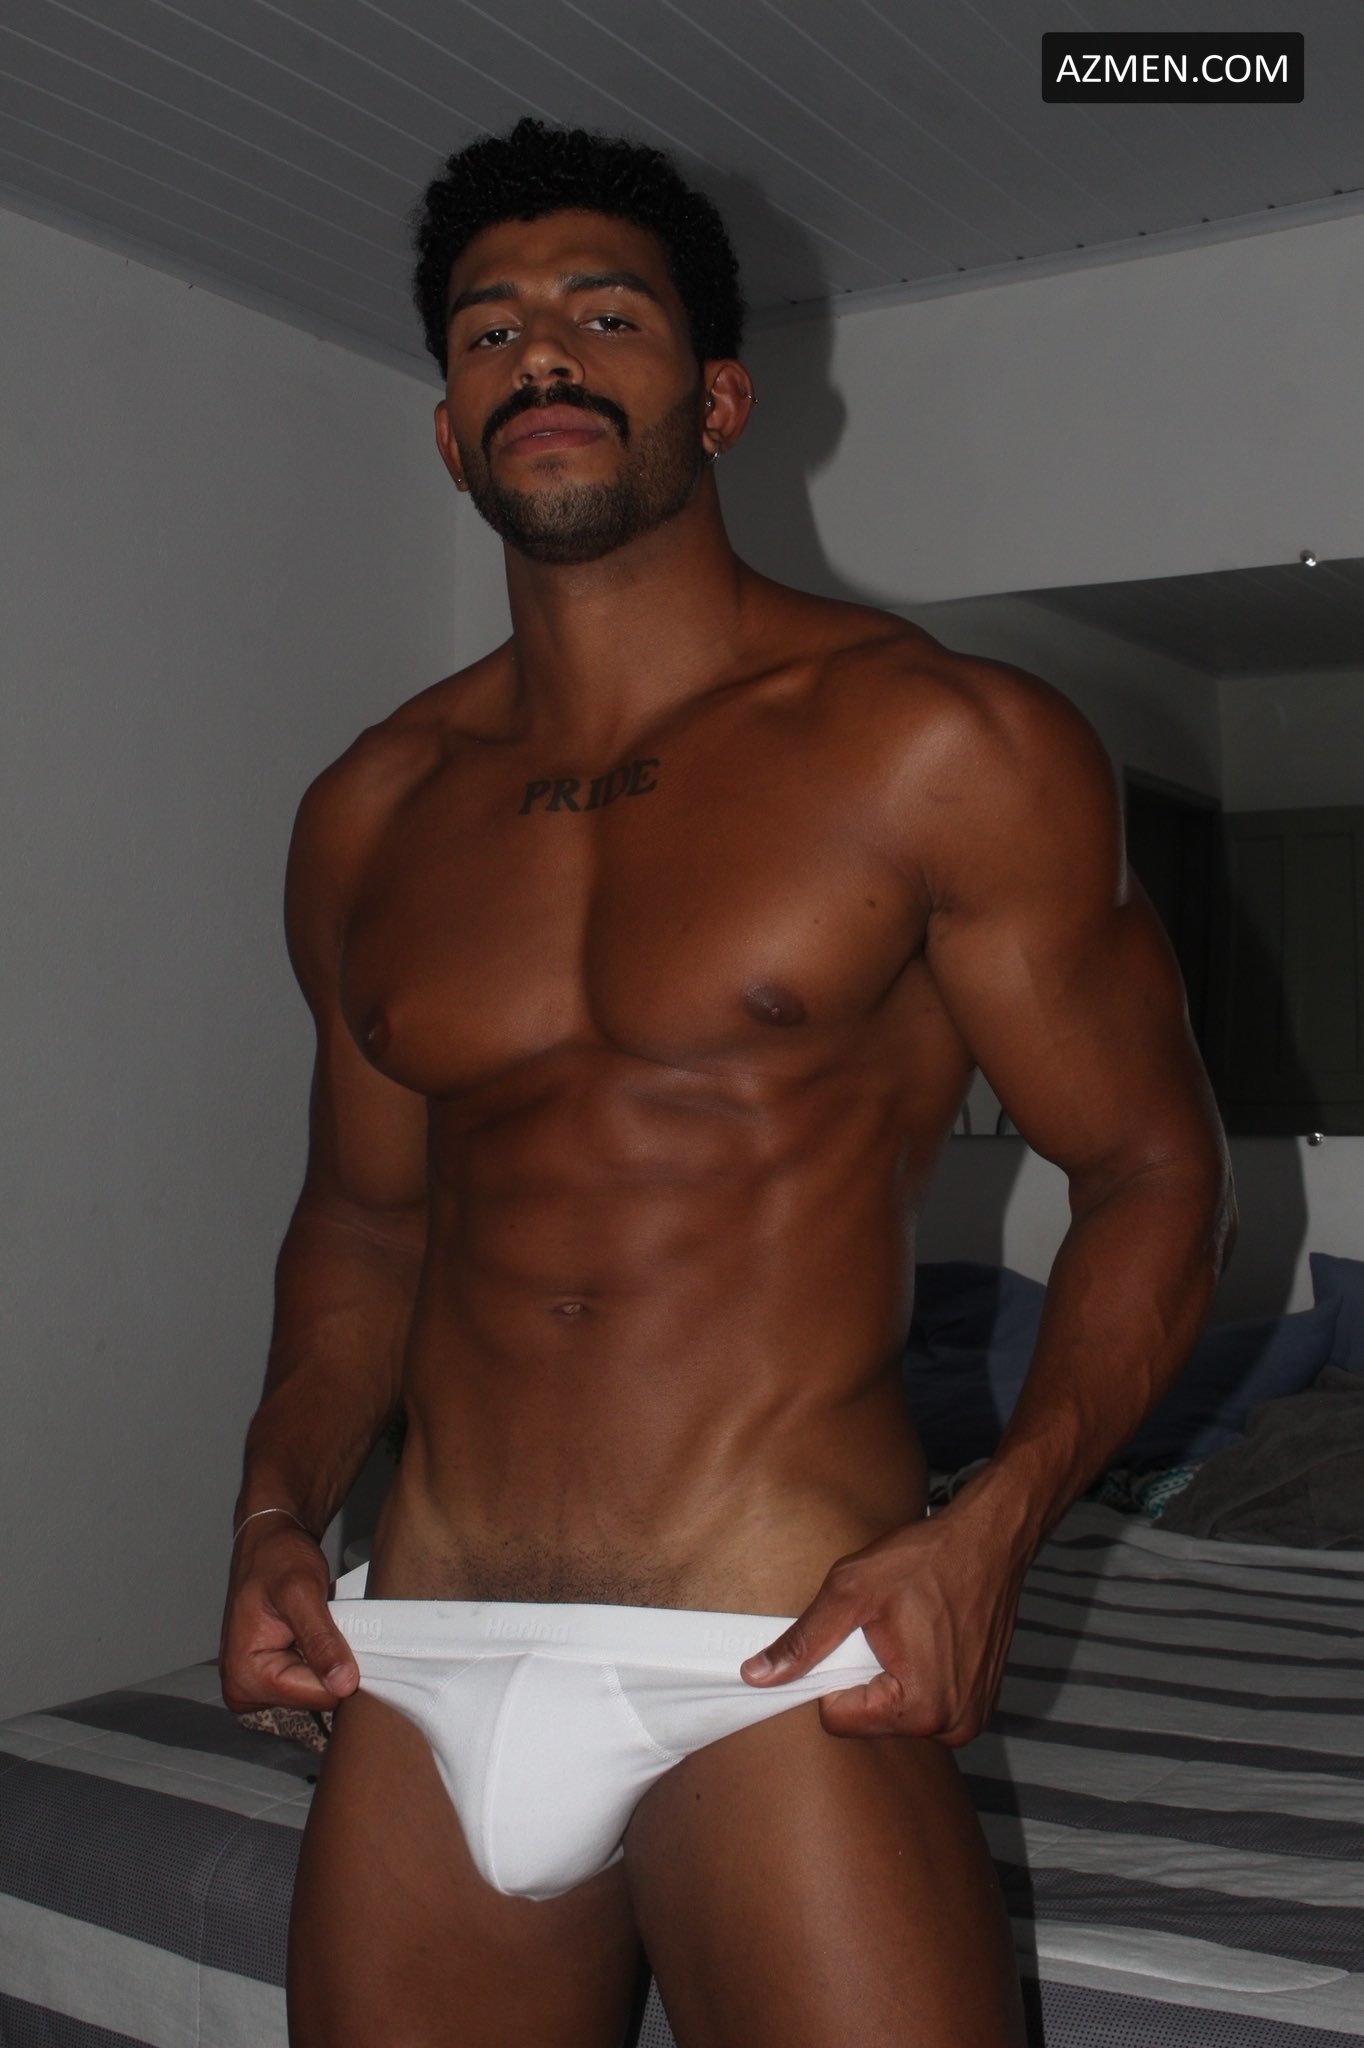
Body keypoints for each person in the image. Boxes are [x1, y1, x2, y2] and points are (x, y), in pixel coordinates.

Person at [219, 117, 1234, 2048]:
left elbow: (1152, 1172)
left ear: (721, 396)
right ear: (448, 430)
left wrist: (995, 1529)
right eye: (489, 331)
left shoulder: (942, 743)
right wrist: (274, 1508)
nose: (542, 352)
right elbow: (362, 1219)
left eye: (606, 314)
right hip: (420, 1643)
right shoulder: (369, 814)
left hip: (775, 1648)